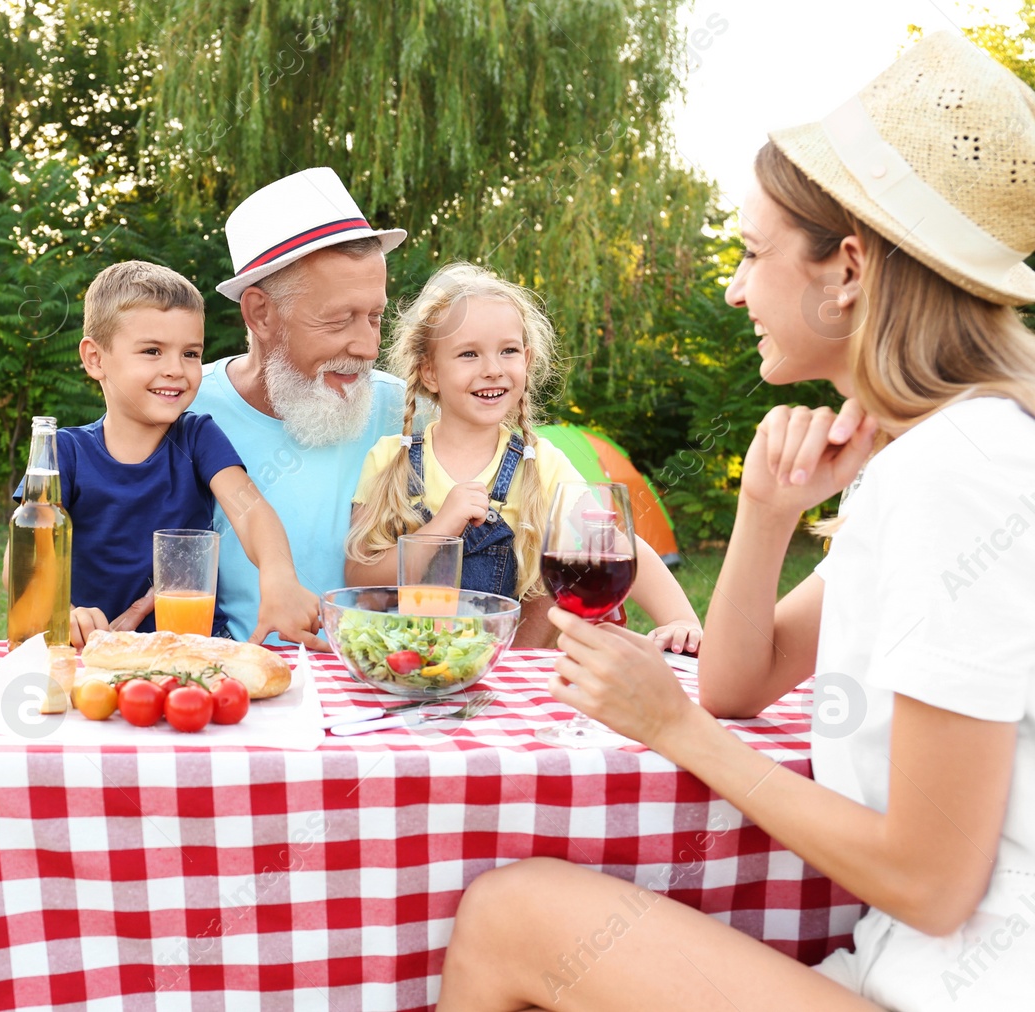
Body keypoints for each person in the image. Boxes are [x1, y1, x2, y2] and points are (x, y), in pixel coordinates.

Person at [436, 32, 1035, 1011]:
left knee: (515, 915)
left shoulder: (956, 474)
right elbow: (740, 679)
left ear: (846, 267)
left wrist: (671, 729)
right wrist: (764, 511)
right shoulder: (934, 456)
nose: (732, 286)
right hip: (903, 973)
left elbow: (932, 884)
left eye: (751, 253)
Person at [344, 263, 702, 651]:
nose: (493, 370)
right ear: (429, 372)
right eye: (468, 354)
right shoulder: (390, 460)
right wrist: (442, 526)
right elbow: (360, 580)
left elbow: (612, 545)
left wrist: (680, 619)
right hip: (407, 661)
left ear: (526, 361)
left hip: (504, 669)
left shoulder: (541, 465)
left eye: (508, 351)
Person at [6, 260, 321, 649]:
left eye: (191, 353)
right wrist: (62, 611)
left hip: (194, 646)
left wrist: (279, 577)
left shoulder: (197, 436)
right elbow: (21, 559)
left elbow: (251, 511)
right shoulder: (64, 452)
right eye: (152, 351)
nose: (176, 369)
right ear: (95, 359)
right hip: (96, 650)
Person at [194, 166, 408, 641]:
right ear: (261, 313)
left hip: (378, 691)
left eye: (374, 316)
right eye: (339, 321)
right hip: (235, 691)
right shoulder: (182, 409)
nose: (368, 347)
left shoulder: (408, 413)